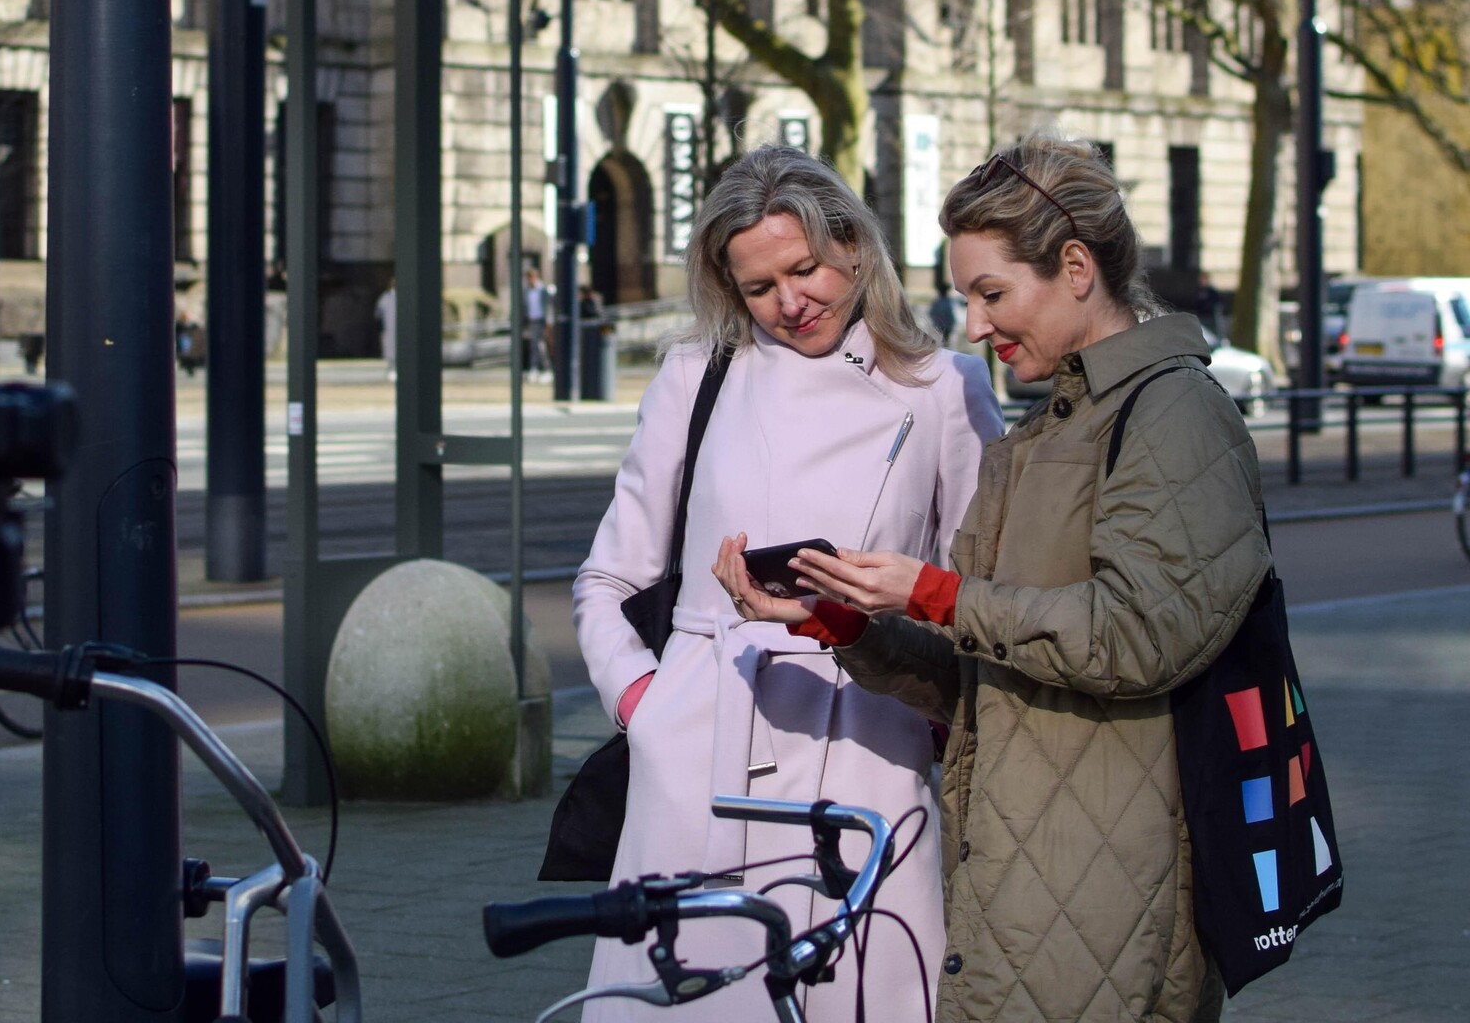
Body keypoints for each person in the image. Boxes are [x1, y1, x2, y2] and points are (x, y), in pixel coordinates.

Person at [725, 136, 1271, 1023]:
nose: (975, 327)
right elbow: (977, 670)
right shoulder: (1044, 433)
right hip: (1018, 879)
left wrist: (932, 593)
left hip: (1108, 889)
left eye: (992, 294)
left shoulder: (1174, 414)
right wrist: (845, 621)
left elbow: (1136, 638)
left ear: (1076, 267)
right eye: (967, 299)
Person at [575, 144, 1003, 1022]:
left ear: (852, 243)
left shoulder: (943, 388)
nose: (790, 302)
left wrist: (921, 701)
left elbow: (976, 592)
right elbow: (607, 576)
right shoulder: (697, 375)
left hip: (866, 751)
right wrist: (646, 706)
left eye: (805, 269)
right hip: (704, 747)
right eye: (759, 287)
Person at [522, 263, 550, 380]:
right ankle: (533, 369)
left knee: (540, 346)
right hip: (530, 320)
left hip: (541, 321)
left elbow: (548, 306)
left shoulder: (543, 290)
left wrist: (548, 322)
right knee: (532, 346)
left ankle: (546, 369)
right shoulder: (526, 291)